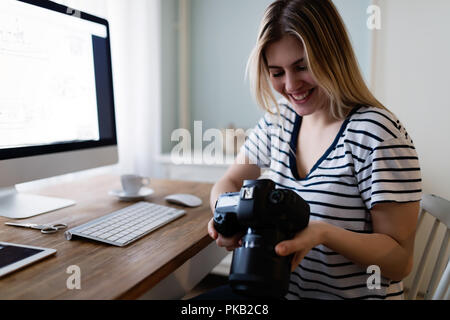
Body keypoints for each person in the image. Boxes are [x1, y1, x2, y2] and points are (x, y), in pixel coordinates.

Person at [204, 0, 422, 300]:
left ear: (333, 56)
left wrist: (323, 233)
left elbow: (399, 263)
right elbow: (228, 182)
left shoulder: (377, 133)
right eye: (277, 72)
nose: (291, 85)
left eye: (302, 66)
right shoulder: (280, 120)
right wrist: (225, 216)